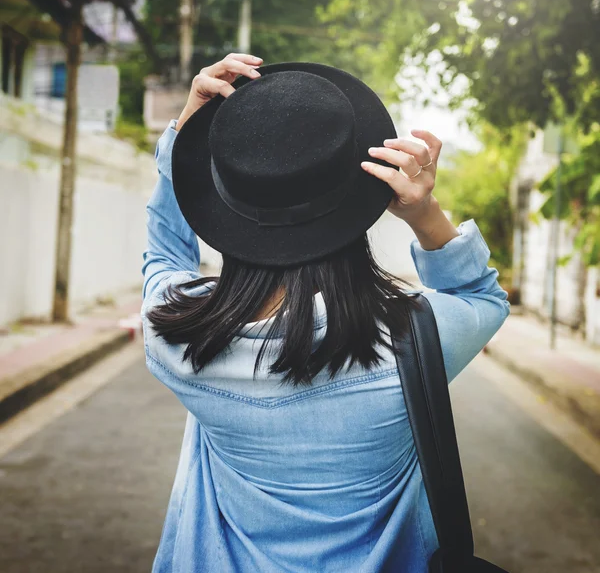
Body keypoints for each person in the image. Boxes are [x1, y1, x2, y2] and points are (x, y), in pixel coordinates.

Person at [141, 53, 510, 572]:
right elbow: (482, 298)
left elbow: (161, 256)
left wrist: (184, 132)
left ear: (225, 204)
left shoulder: (175, 337)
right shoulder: (410, 339)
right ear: (360, 198)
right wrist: (425, 215)